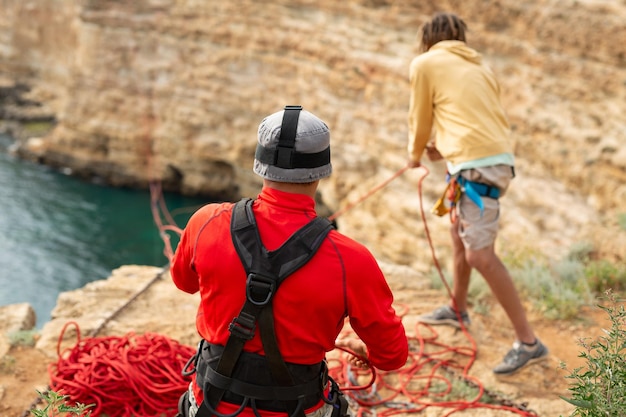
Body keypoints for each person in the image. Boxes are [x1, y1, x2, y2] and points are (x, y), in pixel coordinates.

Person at [171, 105, 408, 417]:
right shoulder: (352, 259)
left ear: (260, 165)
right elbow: (392, 356)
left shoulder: (206, 220)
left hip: (209, 405)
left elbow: (184, 283)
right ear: (323, 170)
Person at [406, 12, 548, 375]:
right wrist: (448, 152)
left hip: (476, 166)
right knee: (458, 235)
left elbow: (419, 118)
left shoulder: (425, 63)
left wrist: (414, 154)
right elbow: (475, 119)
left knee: (480, 255)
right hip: (489, 160)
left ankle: (529, 342)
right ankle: (458, 308)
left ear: (429, 38)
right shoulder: (480, 66)